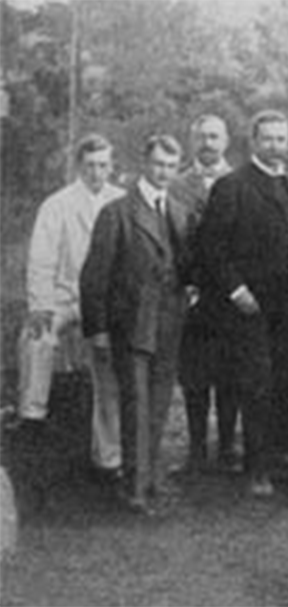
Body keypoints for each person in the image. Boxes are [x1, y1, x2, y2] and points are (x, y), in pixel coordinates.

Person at [194, 110, 288, 497]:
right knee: (256, 385)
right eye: (268, 139)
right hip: (250, 307)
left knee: (285, 382)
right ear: (254, 142)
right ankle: (256, 469)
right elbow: (211, 248)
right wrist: (236, 290)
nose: (275, 146)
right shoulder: (232, 185)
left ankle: (279, 460)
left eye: (281, 139)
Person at [80, 134, 190, 513]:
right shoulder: (117, 213)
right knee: (136, 405)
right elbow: (94, 277)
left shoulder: (178, 211)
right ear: (145, 163)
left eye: (171, 166)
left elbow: (185, 265)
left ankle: (151, 479)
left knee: (159, 403)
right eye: (158, 164)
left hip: (169, 323)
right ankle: (135, 488)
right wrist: (97, 330)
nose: (164, 172)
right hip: (131, 324)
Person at [20, 134, 125, 481]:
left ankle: (108, 456)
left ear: (112, 166)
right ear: (79, 166)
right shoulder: (57, 204)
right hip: (66, 296)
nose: (97, 172)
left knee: (108, 366)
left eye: (103, 165)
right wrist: (41, 304)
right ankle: (32, 415)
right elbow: (41, 258)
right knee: (37, 337)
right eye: (90, 165)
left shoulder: (121, 202)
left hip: (105, 303)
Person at [172, 114, 240, 473]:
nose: (208, 143)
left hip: (228, 294)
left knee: (229, 374)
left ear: (226, 141)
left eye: (214, 137)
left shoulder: (240, 181)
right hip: (191, 292)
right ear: (192, 141)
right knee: (194, 375)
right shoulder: (176, 184)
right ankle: (196, 450)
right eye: (202, 137)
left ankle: (227, 446)